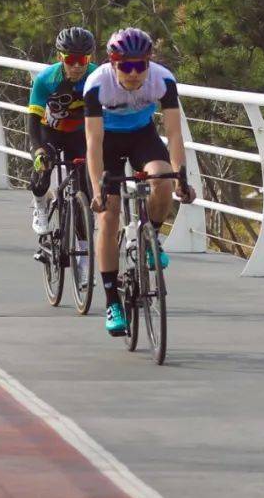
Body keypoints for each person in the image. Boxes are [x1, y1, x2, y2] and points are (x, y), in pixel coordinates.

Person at [84, 26, 195, 336]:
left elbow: (173, 134)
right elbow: (93, 143)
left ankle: (151, 237)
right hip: (107, 141)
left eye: (140, 66)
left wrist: (181, 178)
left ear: (149, 63)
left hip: (141, 137)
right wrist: (97, 190)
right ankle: (112, 302)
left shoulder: (162, 79)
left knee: (162, 178)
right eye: (126, 67)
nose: (134, 74)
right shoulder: (97, 85)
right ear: (112, 64)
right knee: (108, 215)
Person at [27, 25, 95, 239]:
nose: (76, 67)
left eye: (82, 61)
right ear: (60, 57)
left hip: (79, 134)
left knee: (85, 189)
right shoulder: (46, 79)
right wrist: (37, 149)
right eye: (70, 60)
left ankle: (84, 254)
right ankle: (40, 203)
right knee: (44, 164)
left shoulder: (97, 77)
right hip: (49, 131)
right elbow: (33, 120)